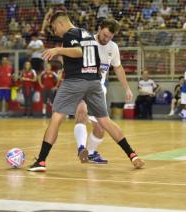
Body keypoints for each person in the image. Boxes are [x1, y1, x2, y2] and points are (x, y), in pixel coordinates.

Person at [28, 12, 144, 172]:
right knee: (105, 121)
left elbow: (78, 51)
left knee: (56, 117)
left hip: (76, 81)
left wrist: (58, 50)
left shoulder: (70, 34)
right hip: (95, 82)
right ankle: (132, 155)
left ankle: (41, 161)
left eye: (54, 28)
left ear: (61, 24)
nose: (55, 32)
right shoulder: (87, 34)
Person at [73, 19, 133, 164]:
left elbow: (118, 68)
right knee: (81, 112)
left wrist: (127, 88)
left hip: (99, 90)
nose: (106, 39)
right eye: (105, 35)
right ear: (99, 29)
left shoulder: (113, 47)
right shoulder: (86, 42)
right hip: (82, 86)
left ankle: (91, 153)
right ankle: (81, 148)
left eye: (110, 37)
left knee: (100, 129)